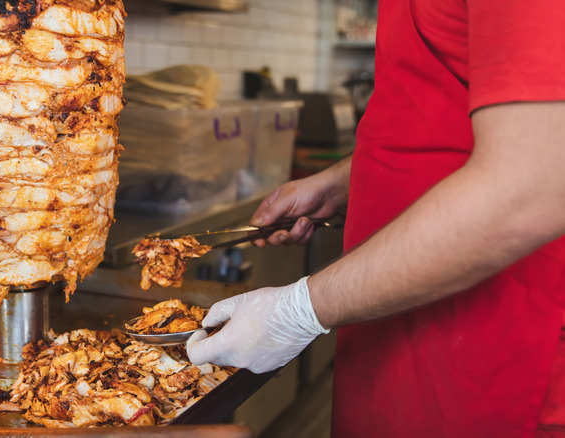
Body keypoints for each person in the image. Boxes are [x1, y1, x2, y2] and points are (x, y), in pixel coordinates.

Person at [186, 1, 565, 436]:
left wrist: (299, 310)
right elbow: (439, 115)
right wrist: (348, 178)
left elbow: (533, 185)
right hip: (393, 332)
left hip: (495, 349)